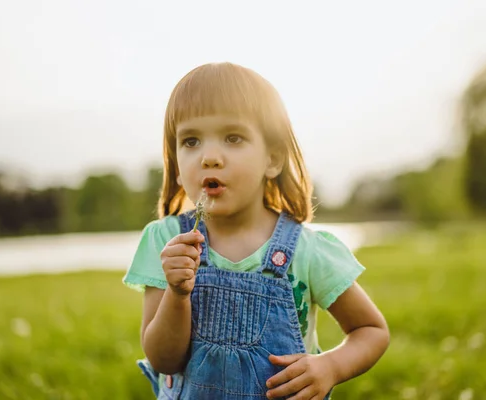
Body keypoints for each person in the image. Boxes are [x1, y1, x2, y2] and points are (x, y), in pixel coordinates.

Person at [122, 62, 390, 399]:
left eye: (233, 138)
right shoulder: (166, 241)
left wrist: (331, 366)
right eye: (191, 141)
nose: (210, 157)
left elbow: (371, 329)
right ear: (176, 166)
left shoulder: (306, 249)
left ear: (272, 159)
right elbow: (163, 359)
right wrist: (177, 294)